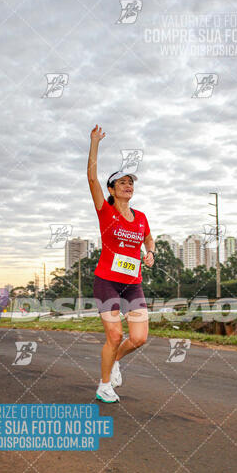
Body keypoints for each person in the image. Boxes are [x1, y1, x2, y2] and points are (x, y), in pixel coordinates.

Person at [87, 125, 155, 403]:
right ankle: (104, 386)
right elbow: (91, 177)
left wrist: (151, 252)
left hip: (132, 285)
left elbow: (149, 240)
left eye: (131, 183)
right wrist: (95, 143)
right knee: (114, 335)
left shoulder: (140, 217)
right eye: (123, 182)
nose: (129, 186)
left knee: (138, 338)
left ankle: (114, 362)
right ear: (112, 190)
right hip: (107, 281)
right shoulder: (106, 211)